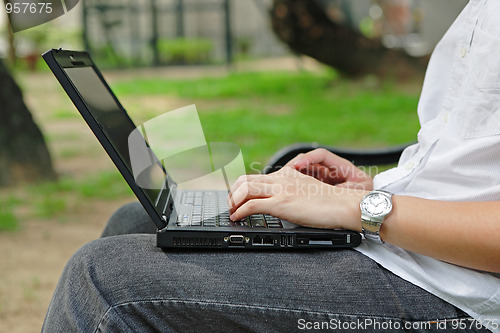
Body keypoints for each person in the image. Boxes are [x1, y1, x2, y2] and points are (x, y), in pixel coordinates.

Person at [42, 1, 500, 332]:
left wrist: (357, 206)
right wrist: (379, 184)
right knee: (136, 219)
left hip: (455, 292)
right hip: (413, 240)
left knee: (101, 280)